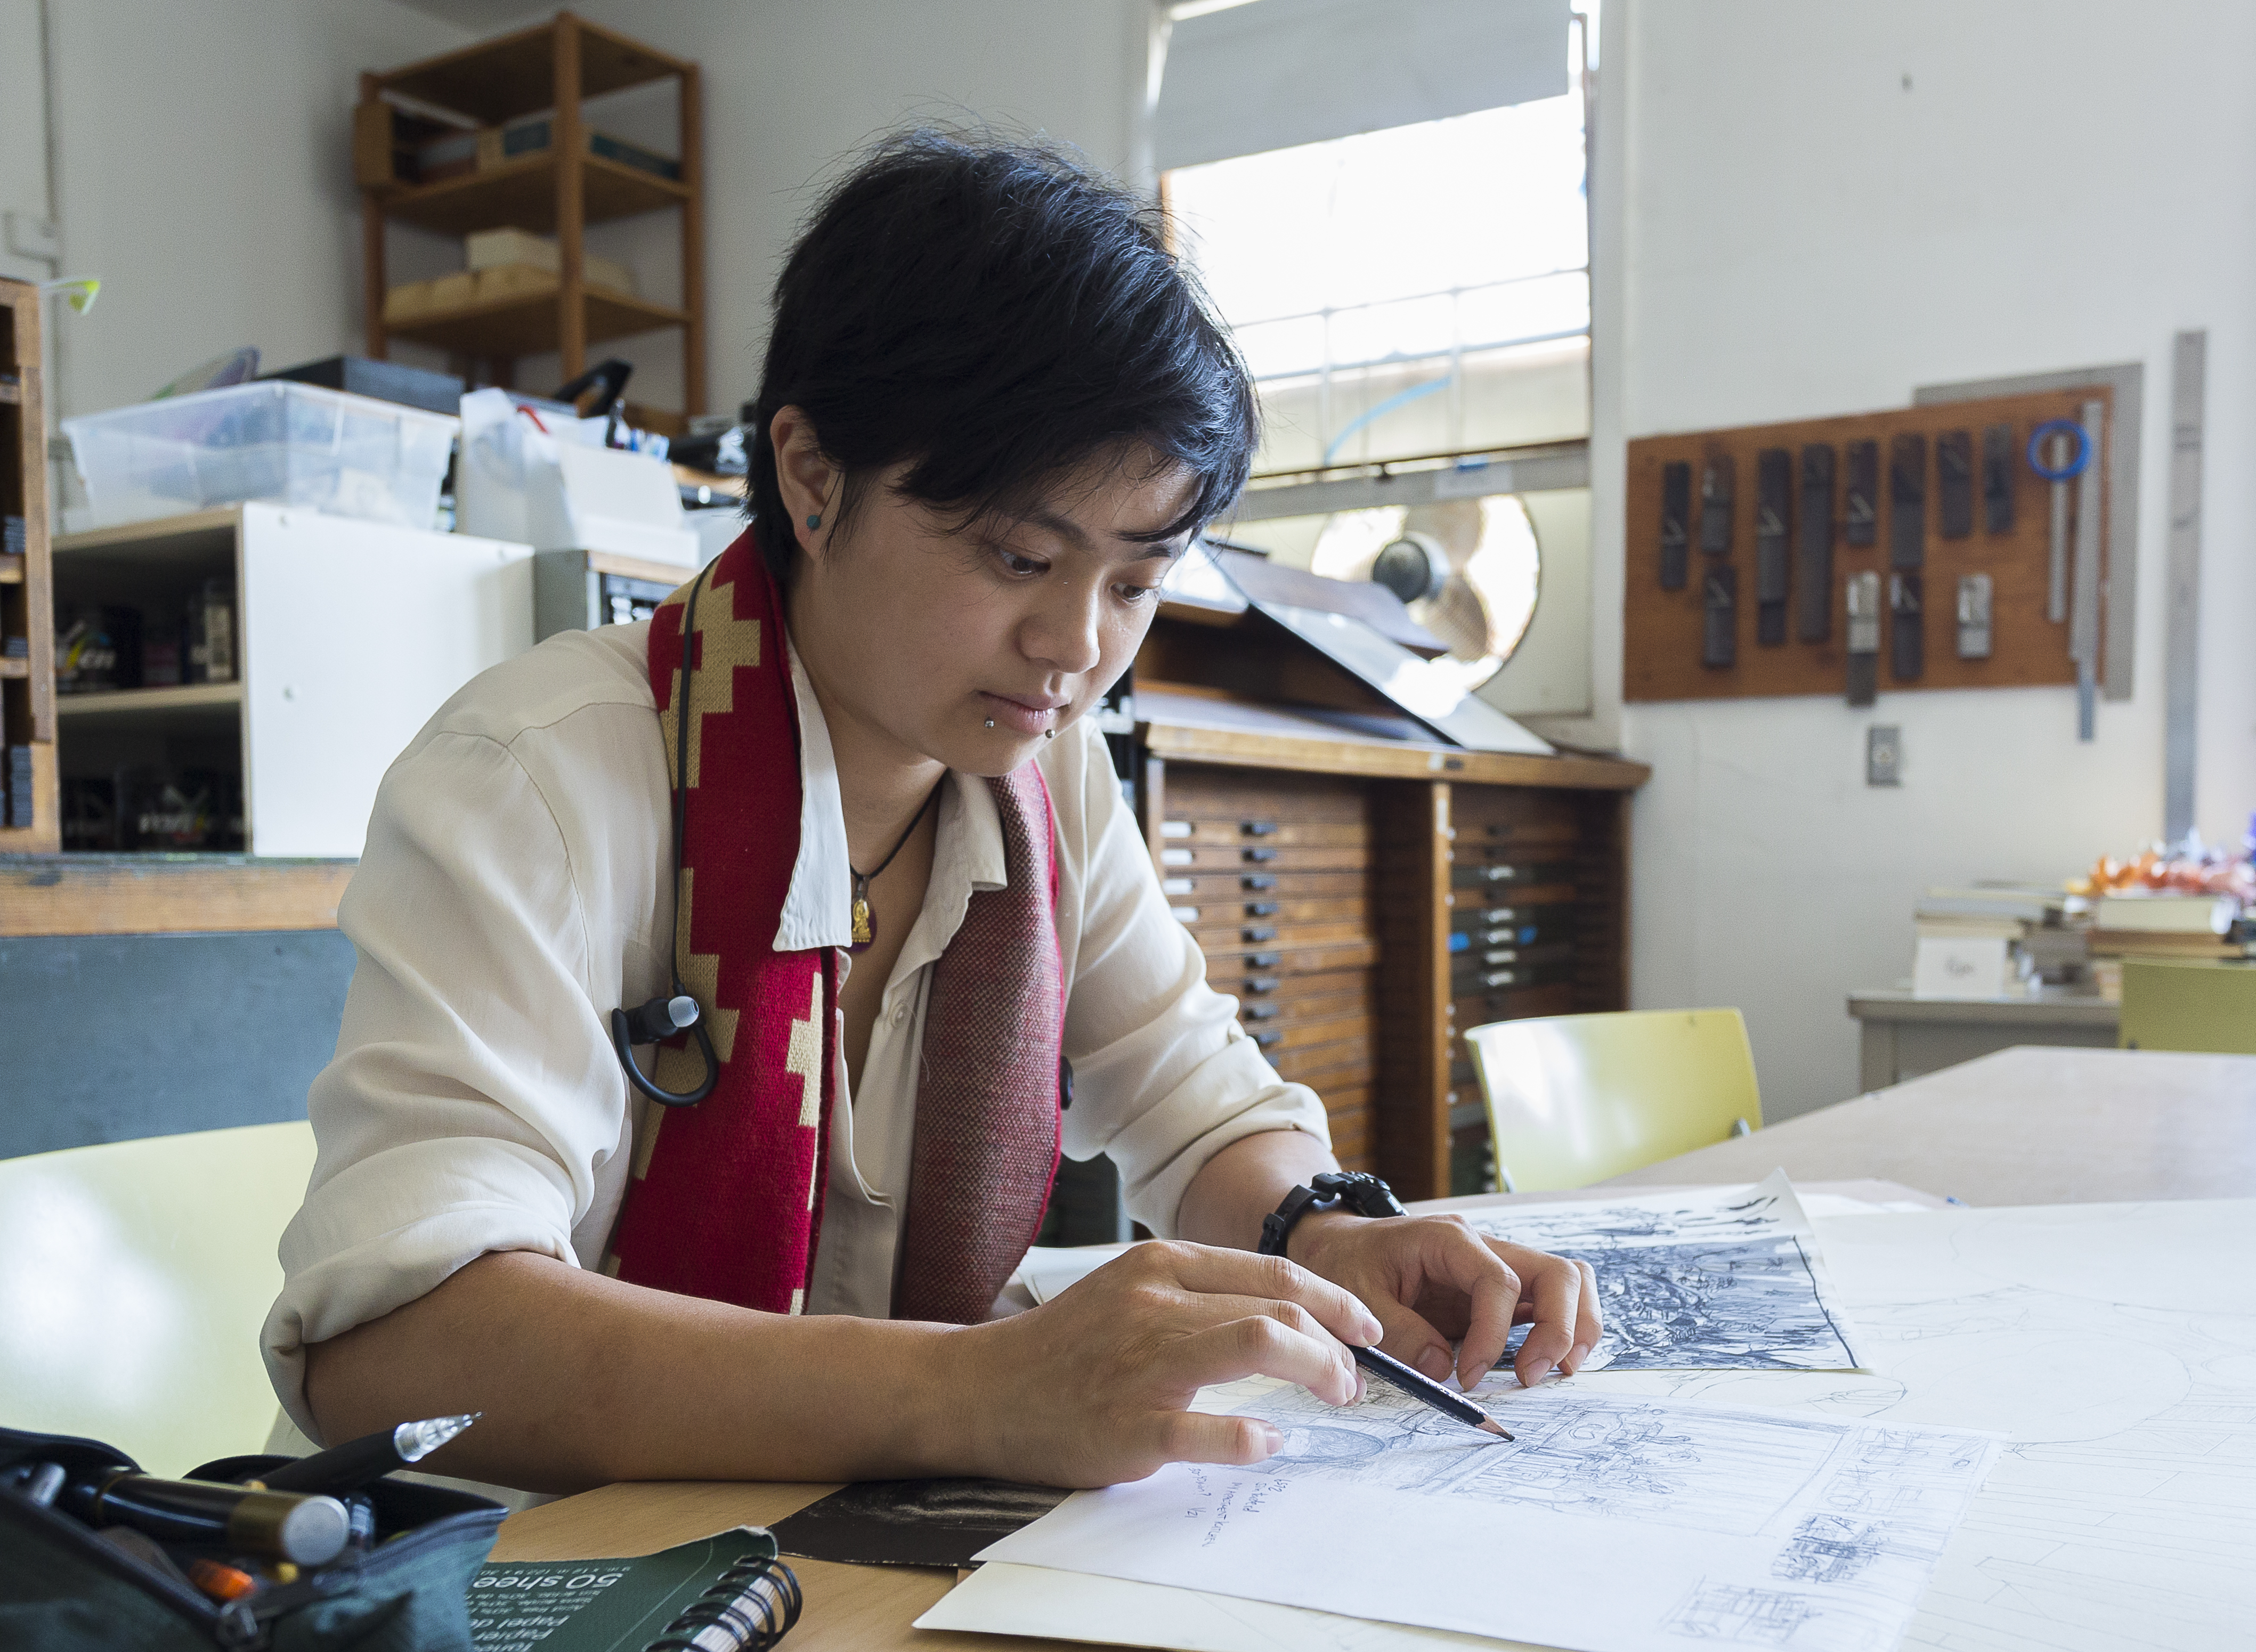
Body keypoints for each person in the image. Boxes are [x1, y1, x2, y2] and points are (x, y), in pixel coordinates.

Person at [261, 131, 1600, 1496]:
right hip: (535, 1576)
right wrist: (971, 1390)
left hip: (844, 1564)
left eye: (1136, 582)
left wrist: (1320, 1228)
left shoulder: (1043, 776)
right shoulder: (537, 778)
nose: (1073, 646)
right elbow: (399, 1342)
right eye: (1019, 555)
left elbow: (1189, 1091)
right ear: (811, 475)